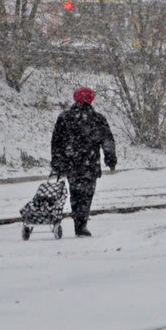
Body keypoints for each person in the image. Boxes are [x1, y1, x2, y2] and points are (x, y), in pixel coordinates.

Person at [50, 86, 116, 237]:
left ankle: (78, 223)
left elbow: (56, 142)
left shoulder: (65, 117)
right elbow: (107, 141)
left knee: (75, 194)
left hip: (71, 163)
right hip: (90, 164)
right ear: (91, 99)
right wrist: (110, 158)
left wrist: (57, 161)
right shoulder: (98, 119)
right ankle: (82, 224)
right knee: (87, 195)